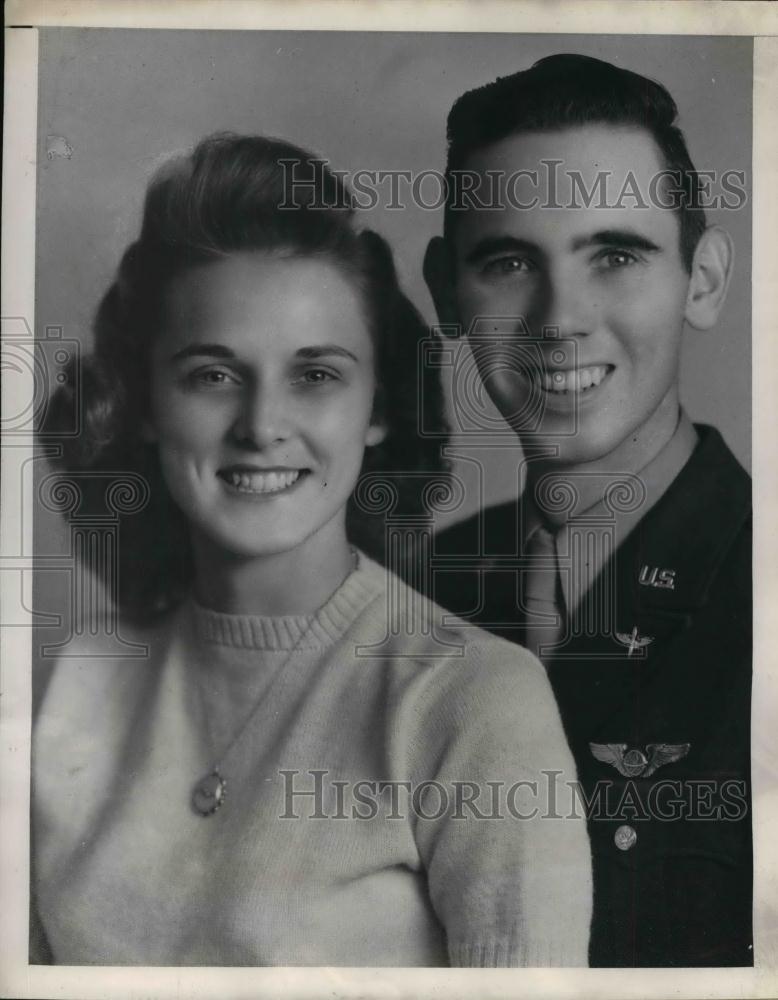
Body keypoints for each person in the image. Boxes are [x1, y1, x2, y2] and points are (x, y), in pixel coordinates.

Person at [31, 133, 592, 967]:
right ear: (143, 400)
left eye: (316, 375)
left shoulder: (471, 702)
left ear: (378, 407)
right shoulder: (74, 682)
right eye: (212, 374)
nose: (262, 427)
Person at [421, 54, 752, 967]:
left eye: (615, 255)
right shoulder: (407, 600)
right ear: (447, 292)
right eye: (509, 261)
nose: (559, 319)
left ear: (705, 279)